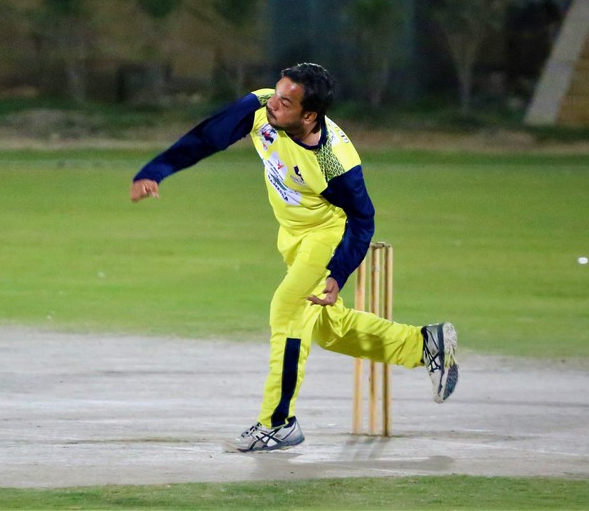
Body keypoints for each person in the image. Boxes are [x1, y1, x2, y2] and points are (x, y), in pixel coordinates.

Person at [130, 62, 458, 451]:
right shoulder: (261, 106)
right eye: (277, 93)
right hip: (292, 234)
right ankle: (424, 345)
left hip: (327, 235)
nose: (274, 104)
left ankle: (278, 422)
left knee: (287, 311)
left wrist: (338, 272)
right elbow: (208, 136)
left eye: (286, 102)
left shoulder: (334, 162)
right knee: (328, 330)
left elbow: (362, 219)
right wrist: (156, 170)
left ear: (309, 115)